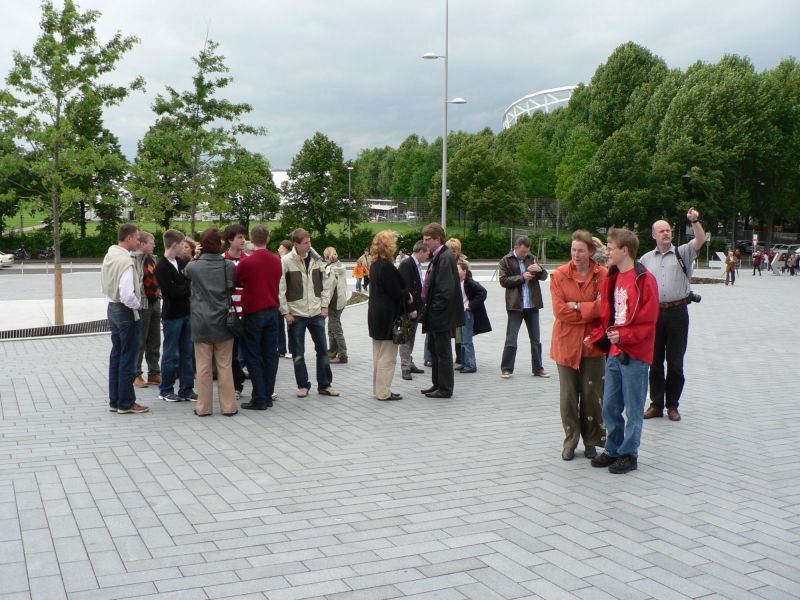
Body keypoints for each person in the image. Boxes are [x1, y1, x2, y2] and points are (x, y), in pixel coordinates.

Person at [586, 228, 660, 474]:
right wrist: (597, 336)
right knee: (609, 405)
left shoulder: (644, 279)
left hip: (635, 354)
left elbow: (649, 321)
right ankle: (613, 449)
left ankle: (629, 454)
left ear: (625, 250)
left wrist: (624, 336)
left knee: (633, 408)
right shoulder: (613, 276)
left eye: (610, 248)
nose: (606, 252)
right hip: (615, 352)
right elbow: (609, 316)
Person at [639, 208, 706, 422]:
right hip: (655, 314)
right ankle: (656, 404)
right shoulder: (645, 259)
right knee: (655, 362)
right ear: (654, 235)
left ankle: (673, 405)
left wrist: (694, 221)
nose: (666, 233)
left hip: (678, 312)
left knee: (676, 362)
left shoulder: (683, 252)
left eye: (668, 230)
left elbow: (700, 239)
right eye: (661, 231)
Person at [549, 230, 608, 461]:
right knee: (569, 397)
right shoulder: (560, 275)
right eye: (573, 250)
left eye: (581, 251)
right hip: (566, 343)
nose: (576, 254)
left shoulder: (602, 275)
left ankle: (592, 440)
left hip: (594, 344)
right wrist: (589, 308)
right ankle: (570, 440)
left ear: (590, 252)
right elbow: (559, 311)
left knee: (592, 395)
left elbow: (604, 308)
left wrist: (576, 306)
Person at [183, 228, 238, 417]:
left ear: (202, 244)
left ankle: (203, 407)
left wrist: (195, 256)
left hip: (201, 321)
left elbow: (185, 273)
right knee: (225, 365)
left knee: (203, 368)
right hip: (224, 321)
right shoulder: (228, 265)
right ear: (220, 243)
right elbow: (232, 287)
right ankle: (229, 407)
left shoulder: (194, 266)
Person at [279, 228, 340, 398]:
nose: (309, 245)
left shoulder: (316, 259)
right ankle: (303, 386)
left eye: (309, 241)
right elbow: (280, 288)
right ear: (296, 244)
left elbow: (327, 283)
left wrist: (325, 306)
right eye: (305, 243)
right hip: (296, 315)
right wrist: (285, 312)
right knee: (298, 353)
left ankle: (325, 385)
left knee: (323, 350)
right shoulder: (286, 261)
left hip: (316, 313)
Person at [100, 223, 148, 414]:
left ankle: (115, 401)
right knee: (128, 357)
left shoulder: (110, 256)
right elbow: (127, 294)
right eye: (137, 238)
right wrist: (138, 305)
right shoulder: (126, 262)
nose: (139, 241)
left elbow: (104, 286)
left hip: (112, 307)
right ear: (129, 238)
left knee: (117, 355)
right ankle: (126, 403)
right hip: (125, 311)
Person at [236, 224, 282, 411]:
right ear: (268, 239)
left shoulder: (246, 262)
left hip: (253, 312)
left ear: (251, 239)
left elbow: (238, 281)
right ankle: (267, 395)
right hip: (272, 311)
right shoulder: (276, 260)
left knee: (253, 355)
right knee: (270, 355)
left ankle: (259, 397)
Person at [419, 223, 464, 398]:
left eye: (428, 239)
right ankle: (437, 384)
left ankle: (445, 389)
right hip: (436, 314)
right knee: (435, 350)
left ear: (438, 239)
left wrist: (434, 309)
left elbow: (445, 290)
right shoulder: (440, 256)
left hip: (441, 315)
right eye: (424, 239)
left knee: (443, 352)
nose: (425, 243)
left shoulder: (445, 257)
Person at [498, 237, 550, 379]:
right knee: (511, 338)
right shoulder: (505, 260)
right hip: (515, 305)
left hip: (532, 305)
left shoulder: (531, 258)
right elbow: (503, 281)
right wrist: (522, 277)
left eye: (527, 252)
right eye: (522, 252)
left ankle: (538, 369)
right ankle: (507, 369)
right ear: (516, 247)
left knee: (536, 339)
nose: (525, 254)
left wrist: (540, 270)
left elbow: (544, 276)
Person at [367, 231, 411, 401]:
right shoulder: (386, 267)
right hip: (387, 316)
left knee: (378, 354)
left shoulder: (375, 264)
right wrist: (408, 295)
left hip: (375, 314)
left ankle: (378, 389)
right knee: (388, 356)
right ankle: (383, 392)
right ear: (389, 246)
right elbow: (396, 291)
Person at [154, 229, 196, 403]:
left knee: (187, 353)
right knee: (171, 354)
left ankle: (187, 389)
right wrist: (185, 288)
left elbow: (188, 283)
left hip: (186, 312)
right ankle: (166, 389)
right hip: (172, 316)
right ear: (174, 245)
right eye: (181, 245)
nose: (183, 248)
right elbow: (172, 291)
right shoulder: (161, 267)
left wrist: (183, 287)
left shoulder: (181, 262)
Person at [222, 224, 249, 400]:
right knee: (230, 353)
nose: (243, 240)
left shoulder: (249, 259)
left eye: (244, 237)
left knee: (251, 350)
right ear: (230, 240)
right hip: (229, 313)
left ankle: (262, 388)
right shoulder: (221, 260)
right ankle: (235, 386)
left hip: (247, 312)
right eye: (239, 237)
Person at [133, 231, 162, 389]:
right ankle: (136, 374)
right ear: (142, 244)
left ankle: (154, 373)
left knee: (155, 340)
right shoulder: (134, 260)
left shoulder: (153, 259)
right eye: (151, 242)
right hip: (142, 304)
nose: (154, 245)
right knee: (140, 341)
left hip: (155, 301)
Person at [398, 240, 429, 380]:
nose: (428, 255)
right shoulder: (406, 264)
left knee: (411, 337)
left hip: (416, 308)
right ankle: (405, 368)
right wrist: (411, 308)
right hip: (407, 309)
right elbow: (404, 288)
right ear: (421, 252)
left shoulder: (415, 264)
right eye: (427, 253)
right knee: (405, 338)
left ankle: (409, 362)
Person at [457, 260, 491, 373]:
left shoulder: (470, 282)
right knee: (462, 340)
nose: (455, 272)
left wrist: (471, 305)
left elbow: (483, 292)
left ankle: (470, 365)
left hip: (467, 314)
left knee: (467, 340)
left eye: (457, 270)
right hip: (460, 314)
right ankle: (464, 363)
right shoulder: (458, 282)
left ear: (464, 271)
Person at [323, 247, 349, 364]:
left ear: (327, 257)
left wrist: (324, 304)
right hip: (340, 301)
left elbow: (329, 289)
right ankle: (332, 353)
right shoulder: (340, 266)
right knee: (332, 327)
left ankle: (342, 356)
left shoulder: (331, 270)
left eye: (325, 257)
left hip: (333, 303)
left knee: (336, 329)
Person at [277, 240, 294, 358]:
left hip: (289, 297)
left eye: (281, 247)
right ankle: (281, 349)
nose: (279, 249)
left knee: (290, 324)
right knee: (279, 325)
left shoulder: (290, 262)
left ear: (287, 249)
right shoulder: (277, 261)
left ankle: (292, 350)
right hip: (278, 297)